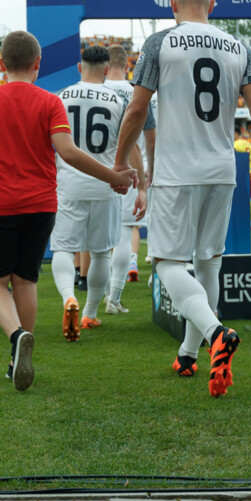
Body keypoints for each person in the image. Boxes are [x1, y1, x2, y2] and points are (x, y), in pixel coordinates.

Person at [114, 0, 251, 397]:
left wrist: (122, 161)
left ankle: (216, 333)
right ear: (211, 6)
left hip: (177, 171)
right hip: (221, 169)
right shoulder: (239, 47)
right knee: (209, 262)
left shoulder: (161, 43)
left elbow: (138, 108)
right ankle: (188, 354)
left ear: (173, 6)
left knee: (169, 264)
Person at [0, 30, 135, 391]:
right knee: (26, 279)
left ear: (1, 64)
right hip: (41, 205)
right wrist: (113, 177)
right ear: (38, 65)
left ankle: (15, 338)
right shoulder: (49, 103)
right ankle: (19, 357)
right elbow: (69, 153)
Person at [51, 46, 146, 339]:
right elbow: (131, 147)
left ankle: (69, 296)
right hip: (107, 184)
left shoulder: (60, 96)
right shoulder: (118, 100)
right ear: (107, 70)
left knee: (64, 248)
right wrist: (141, 185)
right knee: (102, 252)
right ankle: (91, 313)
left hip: (69, 184)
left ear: (80, 68)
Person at [105, 44, 155, 309]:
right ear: (127, 66)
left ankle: (93, 301)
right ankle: (114, 297)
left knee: (99, 241)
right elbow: (150, 139)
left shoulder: (96, 90)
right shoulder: (137, 93)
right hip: (131, 171)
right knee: (125, 232)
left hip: (96, 170)